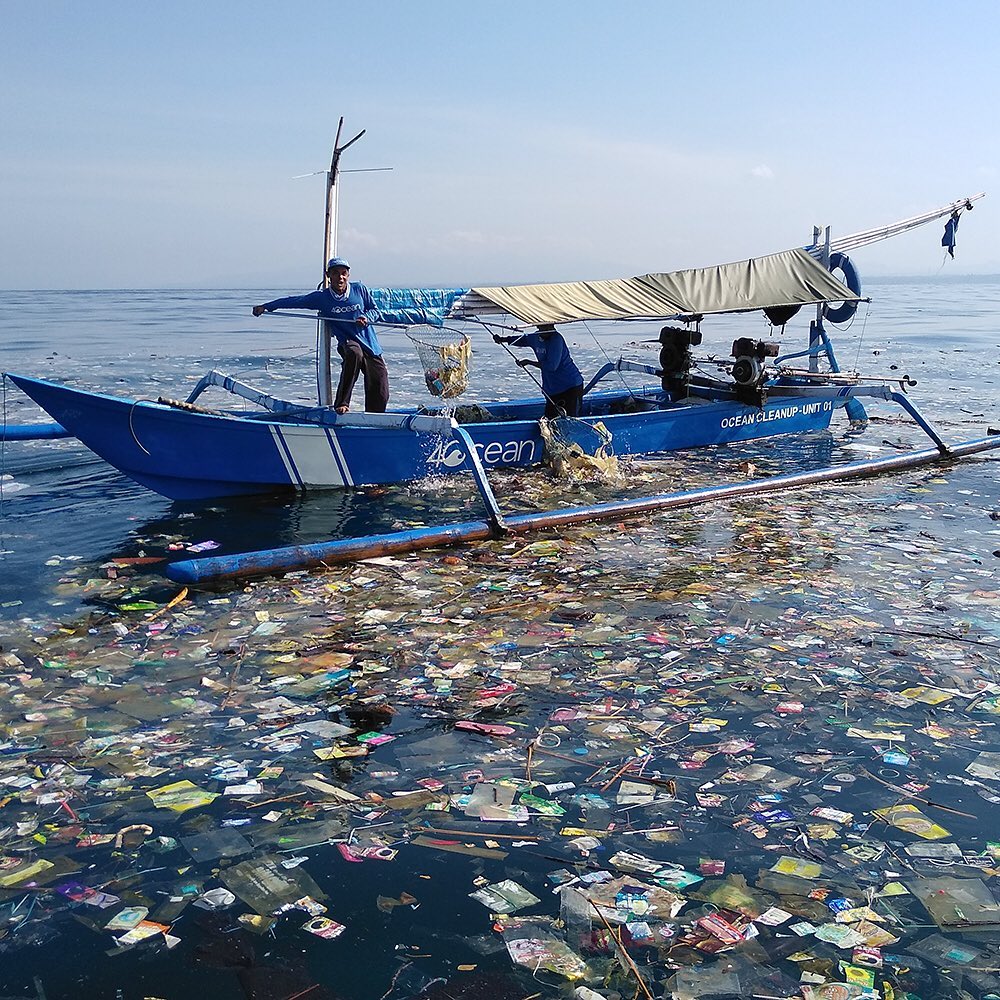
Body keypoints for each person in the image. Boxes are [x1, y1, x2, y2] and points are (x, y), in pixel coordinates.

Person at [252, 258, 387, 413]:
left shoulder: (359, 289)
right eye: (335, 274)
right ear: (328, 275)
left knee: (380, 386)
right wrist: (266, 307)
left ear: (348, 275)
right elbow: (295, 301)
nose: (340, 278)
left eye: (344, 274)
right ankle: (342, 404)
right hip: (347, 342)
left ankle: (375, 417)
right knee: (354, 353)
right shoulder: (322, 297)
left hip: (370, 345)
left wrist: (366, 318)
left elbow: (375, 310)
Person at [493, 323, 584, 418]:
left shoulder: (556, 339)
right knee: (550, 417)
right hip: (552, 388)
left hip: (570, 386)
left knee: (571, 417)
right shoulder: (535, 337)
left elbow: (552, 366)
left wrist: (529, 362)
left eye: (548, 328)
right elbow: (522, 339)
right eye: (541, 328)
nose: (544, 331)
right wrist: (503, 339)